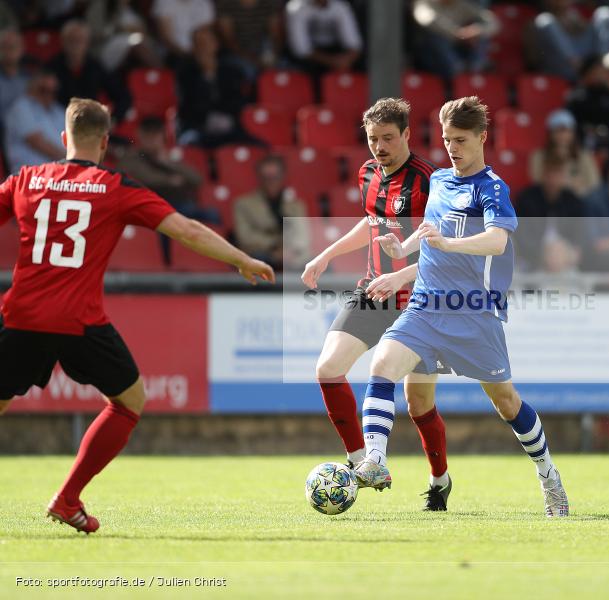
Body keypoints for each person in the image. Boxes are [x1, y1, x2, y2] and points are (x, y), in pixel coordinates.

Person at [0, 98, 274, 534]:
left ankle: (68, 500)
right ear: (107, 142)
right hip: (79, 321)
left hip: (21, 316)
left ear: (63, 138)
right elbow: (184, 228)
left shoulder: (28, 178)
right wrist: (240, 258)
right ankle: (67, 498)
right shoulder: (115, 187)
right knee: (128, 403)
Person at [361, 97, 569, 517]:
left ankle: (548, 474)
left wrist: (446, 243)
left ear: (482, 138)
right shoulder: (439, 181)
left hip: (475, 311)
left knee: (506, 402)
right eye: (445, 139)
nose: (452, 148)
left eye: (460, 140)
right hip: (426, 304)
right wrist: (402, 250)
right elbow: (432, 239)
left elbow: (497, 241)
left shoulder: (492, 189)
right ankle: (375, 461)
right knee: (381, 365)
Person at [301, 98, 453, 511]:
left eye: (388, 138)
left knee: (418, 402)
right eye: (373, 139)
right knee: (328, 368)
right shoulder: (368, 172)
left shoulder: (431, 182)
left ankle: (440, 480)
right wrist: (326, 254)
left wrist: (402, 274)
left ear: (407, 134)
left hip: (421, 299)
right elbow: (371, 222)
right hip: (372, 291)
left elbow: (445, 250)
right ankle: (362, 462)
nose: (380, 147)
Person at [116, 116, 217, 223]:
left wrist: (167, 163)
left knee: (211, 215)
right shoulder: (132, 157)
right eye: (147, 135)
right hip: (150, 208)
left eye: (155, 135)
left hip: (179, 206)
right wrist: (169, 180)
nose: (151, 140)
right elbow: (146, 178)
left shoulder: (169, 157)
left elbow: (196, 179)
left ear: (162, 136)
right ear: (140, 135)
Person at [175, 26, 253, 148]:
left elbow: (238, 101)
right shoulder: (185, 73)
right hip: (199, 127)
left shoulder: (232, 71)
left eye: (206, 42)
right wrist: (205, 74)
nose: (203, 47)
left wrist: (226, 117)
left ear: (216, 44)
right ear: (193, 47)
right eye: (199, 43)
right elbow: (188, 106)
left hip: (230, 125)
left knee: (258, 146)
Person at [233, 154, 311, 271]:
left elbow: (302, 236)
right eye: (266, 178)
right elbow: (246, 237)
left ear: (282, 177)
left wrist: (289, 251)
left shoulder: (295, 205)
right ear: (259, 178)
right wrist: (274, 247)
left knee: (320, 264)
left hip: (292, 255)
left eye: (275, 177)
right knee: (257, 260)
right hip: (262, 253)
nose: (270, 182)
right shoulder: (243, 204)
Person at [516, 154, 589, 273]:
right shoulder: (527, 199)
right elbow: (521, 234)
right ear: (543, 175)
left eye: (558, 175)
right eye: (550, 174)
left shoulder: (573, 201)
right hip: (534, 254)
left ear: (564, 177)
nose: (553, 180)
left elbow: (580, 234)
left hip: (564, 254)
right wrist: (541, 251)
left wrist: (568, 250)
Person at [48, 20, 131, 122]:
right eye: (71, 40)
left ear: (87, 43)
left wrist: (112, 120)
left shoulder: (96, 67)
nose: (75, 44)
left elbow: (123, 96)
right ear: (63, 41)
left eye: (80, 40)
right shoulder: (51, 67)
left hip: (89, 124)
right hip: (57, 122)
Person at [525, 0, 609, 82]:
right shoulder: (538, 20)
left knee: (605, 14)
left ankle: (602, 65)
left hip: (585, 60)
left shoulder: (574, 14)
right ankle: (588, 70)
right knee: (545, 20)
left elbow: (583, 34)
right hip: (562, 67)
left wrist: (574, 23)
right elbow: (533, 58)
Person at [411, 0, 499, 81]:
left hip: (461, 47)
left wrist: (476, 31)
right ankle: (458, 71)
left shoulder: (461, 4)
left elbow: (494, 23)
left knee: (481, 37)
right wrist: (457, 34)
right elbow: (427, 21)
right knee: (435, 39)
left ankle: (476, 69)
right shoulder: (424, 3)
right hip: (430, 58)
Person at [565, 53, 609, 152]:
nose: (600, 75)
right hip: (585, 138)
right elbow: (570, 117)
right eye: (596, 71)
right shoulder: (579, 93)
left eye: (602, 71)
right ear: (587, 73)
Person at [529, 108, 600, 199]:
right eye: (558, 131)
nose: (563, 136)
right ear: (550, 133)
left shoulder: (584, 156)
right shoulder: (538, 156)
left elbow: (594, 184)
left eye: (567, 131)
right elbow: (537, 182)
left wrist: (579, 190)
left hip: (580, 200)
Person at [4, 70, 66, 173]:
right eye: (43, 90)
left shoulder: (58, 110)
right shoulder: (21, 108)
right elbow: (37, 142)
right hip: (28, 177)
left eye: (53, 91)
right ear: (32, 86)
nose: (48, 94)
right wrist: (71, 160)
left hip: (57, 175)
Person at [285, 0, 362, 76]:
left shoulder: (341, 7)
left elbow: (354, 44)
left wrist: (346, 60)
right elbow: (301, 49)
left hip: (334, 53)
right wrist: (332, 62)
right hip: (309, 60)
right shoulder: (296, 7)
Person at [216, 0, 284, 77]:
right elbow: (228, 40)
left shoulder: (269, 3)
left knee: (285, 71)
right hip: (238, 55)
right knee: (249, 72)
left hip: (264, 53)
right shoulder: (226, 4)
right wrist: (252, 59)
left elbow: (275, 34)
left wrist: (273, 56)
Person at [0, 28, 29, 120]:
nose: (9, 51)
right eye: (4, 46)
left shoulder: (30, 79)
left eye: (14, 46)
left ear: (22, 49)